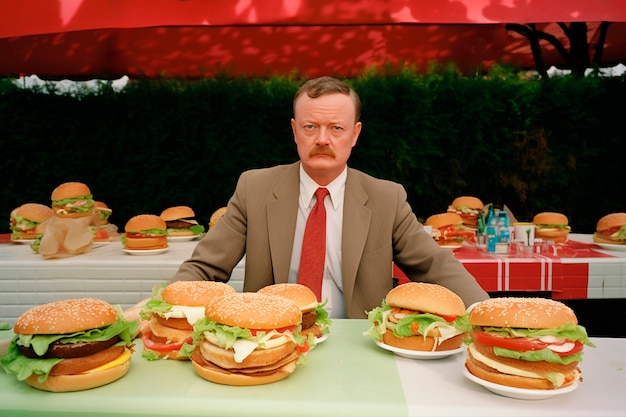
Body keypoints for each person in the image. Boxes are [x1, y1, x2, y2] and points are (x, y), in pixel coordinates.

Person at [157, 76, 489, 319]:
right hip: (269, 336)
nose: (323, 139)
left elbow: (436, 265)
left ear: (355, 134)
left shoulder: (386, 197)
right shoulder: (253, 188)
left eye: (336, 128)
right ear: (294, 130)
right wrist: (160, 310)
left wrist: (486, 313)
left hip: (359, 344)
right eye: (310, 127)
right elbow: (204, 266)